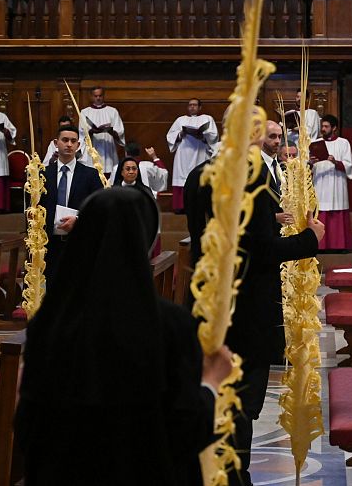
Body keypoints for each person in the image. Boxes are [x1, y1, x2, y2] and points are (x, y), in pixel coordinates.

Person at [15, 187, 234, 485]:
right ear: (143, 239)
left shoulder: (50, 322)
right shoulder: (169, 325)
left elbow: (27, 430)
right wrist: (211, 382)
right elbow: (184, 432)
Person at [184, 123, 324, 486]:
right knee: (243, 406)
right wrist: (310, 238)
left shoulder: (199, 175)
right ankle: (235, 477)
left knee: (211, 395)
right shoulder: (254, 180)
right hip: (248, 309)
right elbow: (262, 250)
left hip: (207, 303)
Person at [39, 126, 104, 285]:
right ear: (56, 143)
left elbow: (100, 207)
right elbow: (35, 208)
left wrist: (79, 219)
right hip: (49, 244)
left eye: (73, 141)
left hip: (79, 241)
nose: (69, 144)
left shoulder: (90, 174)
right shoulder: (42, 174)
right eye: (65, 140)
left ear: (78, 145)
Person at [310, 114, 352, 250]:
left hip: (336, 183)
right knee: (321, 211)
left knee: (336, 213)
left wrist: (335, 161)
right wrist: (311, 162)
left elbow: (349, 165)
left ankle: (338, 245)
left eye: (326, 126)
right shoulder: (315, 143)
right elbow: (308, 164)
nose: (323, 129)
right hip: (320, 182)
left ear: (334, 128)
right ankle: (320, 246)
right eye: (322, 126)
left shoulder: (343, 143)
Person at [167, 98, 218, 213]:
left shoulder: (207, 119)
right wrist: (181, 134)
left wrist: (203, 136)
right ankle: (181, 207)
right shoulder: (180, 120)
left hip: (200, 153)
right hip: (183, 154)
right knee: (181, 179)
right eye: (190, 105)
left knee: (199, 178)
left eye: (195, 105)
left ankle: (199, 206)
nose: (192, 107)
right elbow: (171, 136)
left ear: (200, 107)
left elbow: (213, 137)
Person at [80, 86, 125, 177]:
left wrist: (111, 131)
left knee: (108, 174)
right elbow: (82, 132)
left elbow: (119, 130)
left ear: (103, 96)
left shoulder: (112, 111)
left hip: (108, 147)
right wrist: (92, 131)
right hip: (93, 147)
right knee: (93, 173)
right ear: (91, 96)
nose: (98, 98)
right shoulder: (85, 112)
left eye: (100, 95)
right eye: (95, 96)